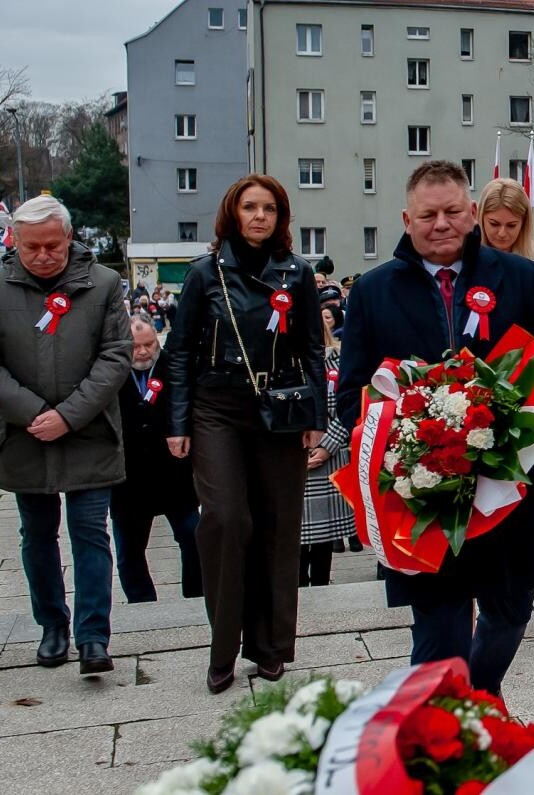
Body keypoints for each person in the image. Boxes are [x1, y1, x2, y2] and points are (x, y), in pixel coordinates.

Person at [336, 160, 534, 695]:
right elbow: (351, 392)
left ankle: (475, 695)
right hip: (423, 495)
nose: (440, 223)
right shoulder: (373, 292)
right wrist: (407, 435)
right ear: (406, 218)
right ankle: (444, 726)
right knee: (439, 631)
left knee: (512, 611)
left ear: (472, 213)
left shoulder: (518, 276)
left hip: (506, 480)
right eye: (427, 214)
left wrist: (516, 419)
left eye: (451, 212)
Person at [165, 174, 326, 694]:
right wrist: (177, 422)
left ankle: (272, 646)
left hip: (280, 409)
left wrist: (314, 418)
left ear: (281, 219)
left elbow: (311, 350)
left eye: (270, 209)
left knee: (279, 527)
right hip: (217, 408)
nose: (260, 216)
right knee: (227, 519)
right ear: (232, 213)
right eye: (250, 207)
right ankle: (222, 648)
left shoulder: (296, 273)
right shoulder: (202, 273)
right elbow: (180, 351)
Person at [0, 195, 132, 674]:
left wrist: (69, 415)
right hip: (23, 434)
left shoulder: (103, 284)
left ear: (69, 237)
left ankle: (94, 636)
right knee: (36, 535)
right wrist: (34, 412)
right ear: (15, 242)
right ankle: (52, 625)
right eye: (31, 247)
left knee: (90, 535)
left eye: (52, 245)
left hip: (90, 432)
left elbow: (116, 356)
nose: (42, 256)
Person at [111, 314, 202, 603]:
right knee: (129, 550)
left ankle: (197, 593)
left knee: (193, 538)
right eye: (136, 347)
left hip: (173, 471)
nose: (143, 352)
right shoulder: (111, 371)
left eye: (149, 345)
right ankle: (141, 602)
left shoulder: (171, 366)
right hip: (128, 476)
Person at [299, 323, 355, 586]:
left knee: (322, 540)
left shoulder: (337, 362)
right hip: (292, 458)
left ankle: (322, 587)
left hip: (328, 459)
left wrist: (326, 446)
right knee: (293, 538)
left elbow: (348, 406)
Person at [478, 177, 534, 302]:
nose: (502, 233)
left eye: (511, 225)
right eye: (494, 224)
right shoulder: (464, 256)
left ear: (524, 223)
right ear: (481, 218)